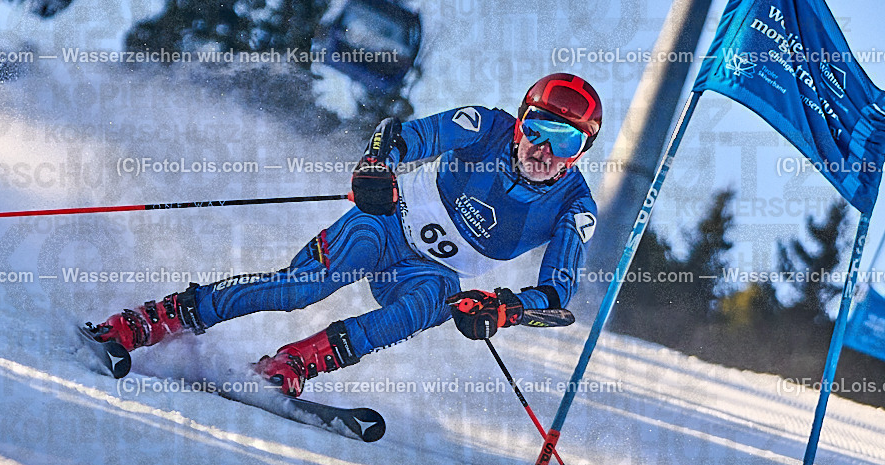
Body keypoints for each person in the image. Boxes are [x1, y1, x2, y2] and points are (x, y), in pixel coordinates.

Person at [87, 73, 602, 396]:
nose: (544, 150)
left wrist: (504, 308)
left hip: (433, 270)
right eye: (536, 129)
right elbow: (405, 134)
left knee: (432, 304)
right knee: (301, 288)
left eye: (566, 141)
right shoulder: (484, 126)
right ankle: (150, 320)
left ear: (583, 151)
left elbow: (557, 295)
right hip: (386, 221)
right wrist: (376, 166)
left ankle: (293, 364)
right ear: (518, 123)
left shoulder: (575, 206)